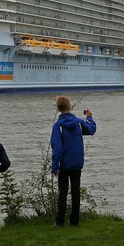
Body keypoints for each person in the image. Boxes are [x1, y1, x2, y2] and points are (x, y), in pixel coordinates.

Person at [51, 96, 96, 228]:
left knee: (63, 193)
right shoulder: (78, 122)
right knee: (76, 191)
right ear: (70, 106)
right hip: (77, 163)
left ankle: (60, 222)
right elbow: (91, 130)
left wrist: (55, 166)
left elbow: (57, 148)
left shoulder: (58, 126)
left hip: (64, 164)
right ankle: (74, 221)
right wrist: (90, 117)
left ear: (58, 108)